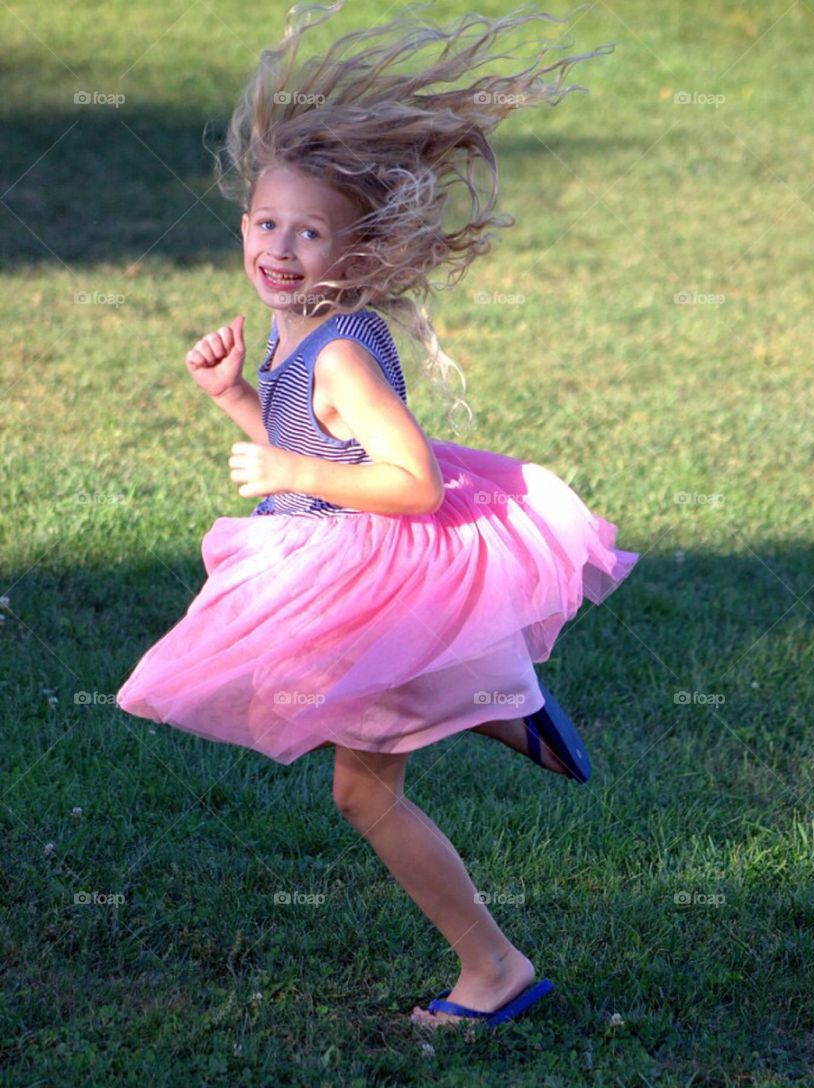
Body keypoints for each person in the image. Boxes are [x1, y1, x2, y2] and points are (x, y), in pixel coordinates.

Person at [115, 1, 639, 1030]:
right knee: (317, 705)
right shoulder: (297, 323)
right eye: (267, 223)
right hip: (338, 556)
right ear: (242, 227)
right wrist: (236, 398)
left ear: (356, 249)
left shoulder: (344, 349)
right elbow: (314, 435)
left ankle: (494, 964)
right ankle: (492, 694)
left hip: (379, 564)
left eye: (310, 232)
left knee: (362, 793)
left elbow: (412, 483)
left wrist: (277, 464)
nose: (281, 246)